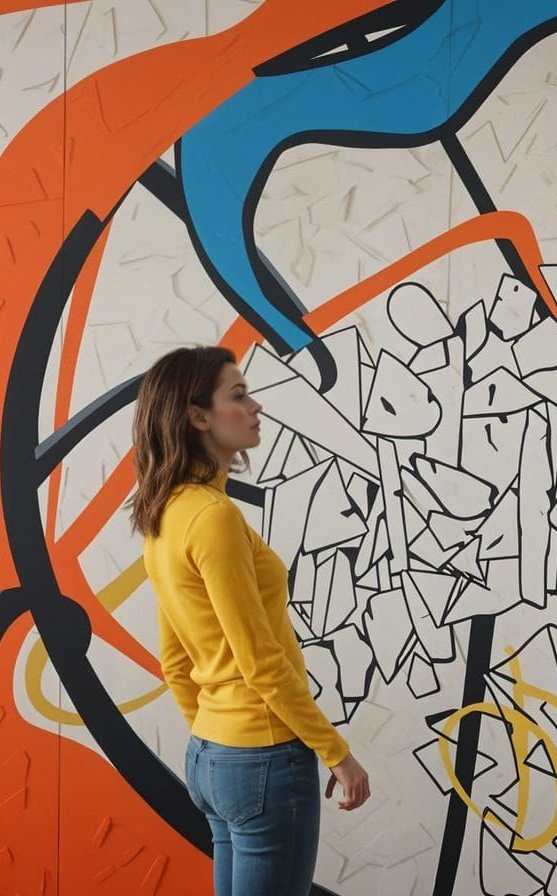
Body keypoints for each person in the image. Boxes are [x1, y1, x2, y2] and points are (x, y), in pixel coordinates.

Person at [131, 345, 369, 896]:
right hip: (262, 757)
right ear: (198, 416)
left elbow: (175, 658)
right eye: (238, 395)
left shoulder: (164, 511)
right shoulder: (213, 517)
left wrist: (214, 736)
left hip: (211, 756)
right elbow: (259, 659)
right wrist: (338, 755)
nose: (255, 406)